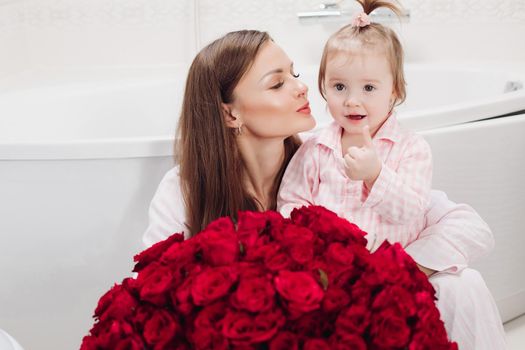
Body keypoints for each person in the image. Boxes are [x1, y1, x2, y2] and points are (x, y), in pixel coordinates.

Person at [142, 30, 506, 349]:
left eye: (295, 74)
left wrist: (389, 277)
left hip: (348, 315)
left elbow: (466, 225)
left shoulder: (332, 158)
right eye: (277, 82)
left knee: (463, 285)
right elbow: (149, 290)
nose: (302, 87)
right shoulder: (186, 188)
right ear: (231, 115)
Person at [277, 0, 432, 252]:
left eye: (369, 88)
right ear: (324, 86)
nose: (352, 101)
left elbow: (412, 212)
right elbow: (290, 202)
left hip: (387, 271)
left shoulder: (411, 148)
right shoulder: (315, 148)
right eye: (339, 87)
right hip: (329, 266)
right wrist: (310, 237)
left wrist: (376, 175)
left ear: (393, 91)